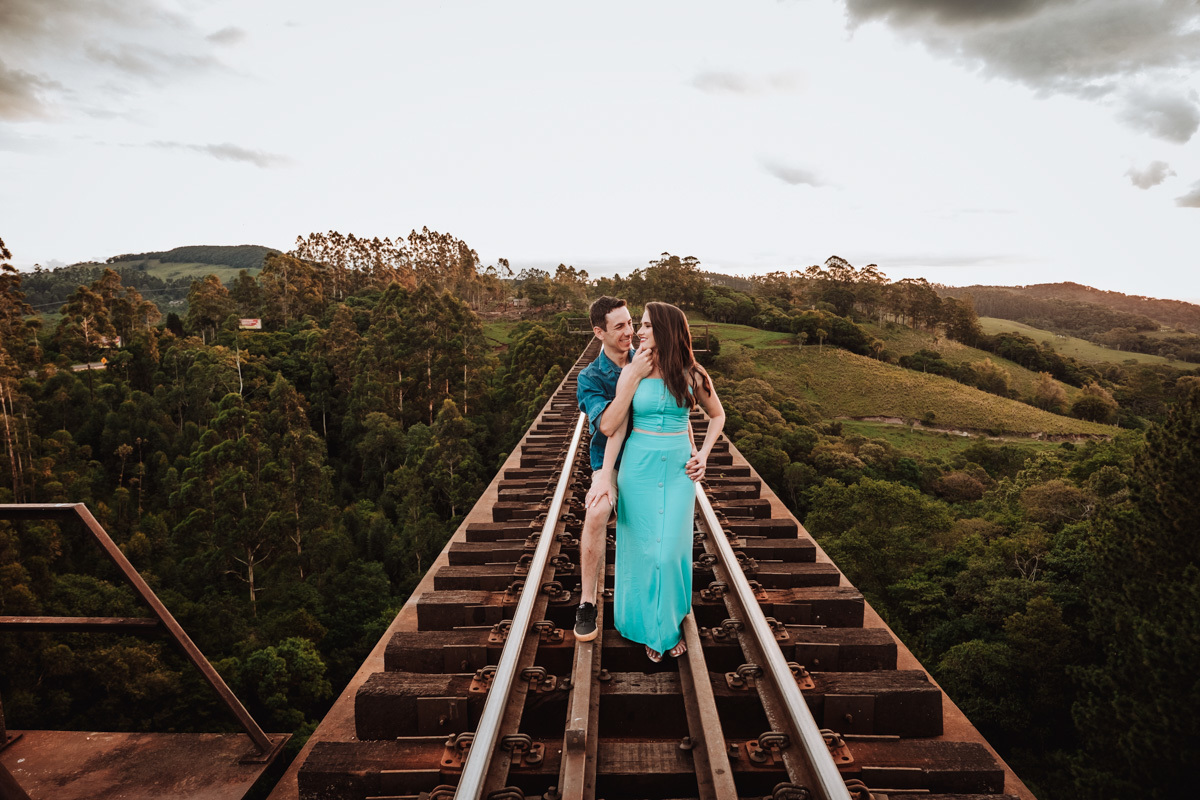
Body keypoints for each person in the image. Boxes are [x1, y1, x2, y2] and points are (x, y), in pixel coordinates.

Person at [586, 301, 725, 662]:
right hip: (639, 465)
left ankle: (666, 624)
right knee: (643, 549)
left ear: (664, 330)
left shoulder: (693, 373)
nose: (638, 333)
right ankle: (646, 626)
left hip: (678, 468)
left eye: (645, 325)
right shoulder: (633, 370)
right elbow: (615, 430)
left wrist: (704, 455)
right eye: (636, 325)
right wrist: (604, 476)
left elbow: (717, 415)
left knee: (670, 551)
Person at [572, 296, 649, 642]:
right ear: (598, 332)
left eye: (630, 323)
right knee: (596, 512)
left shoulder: (650, 359)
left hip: (648, 458)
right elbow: (607, 425)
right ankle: (588, 600)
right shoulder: (590, 378)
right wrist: (631, 379)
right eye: (619, 327)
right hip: (612, 463)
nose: (629, 332)